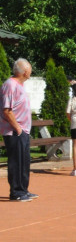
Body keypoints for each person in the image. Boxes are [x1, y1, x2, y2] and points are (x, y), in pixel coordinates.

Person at [1, 58, 37, 202]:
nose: (31, 71)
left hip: (23, 130)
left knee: (24, 161)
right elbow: (7, 110)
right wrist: (17, 128)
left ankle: (23, 190)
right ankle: (16, 192)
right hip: (15, 130)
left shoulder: (19, 85)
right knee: (16, 162)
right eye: (29, 69)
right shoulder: (10, 85)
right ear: (25, 71)